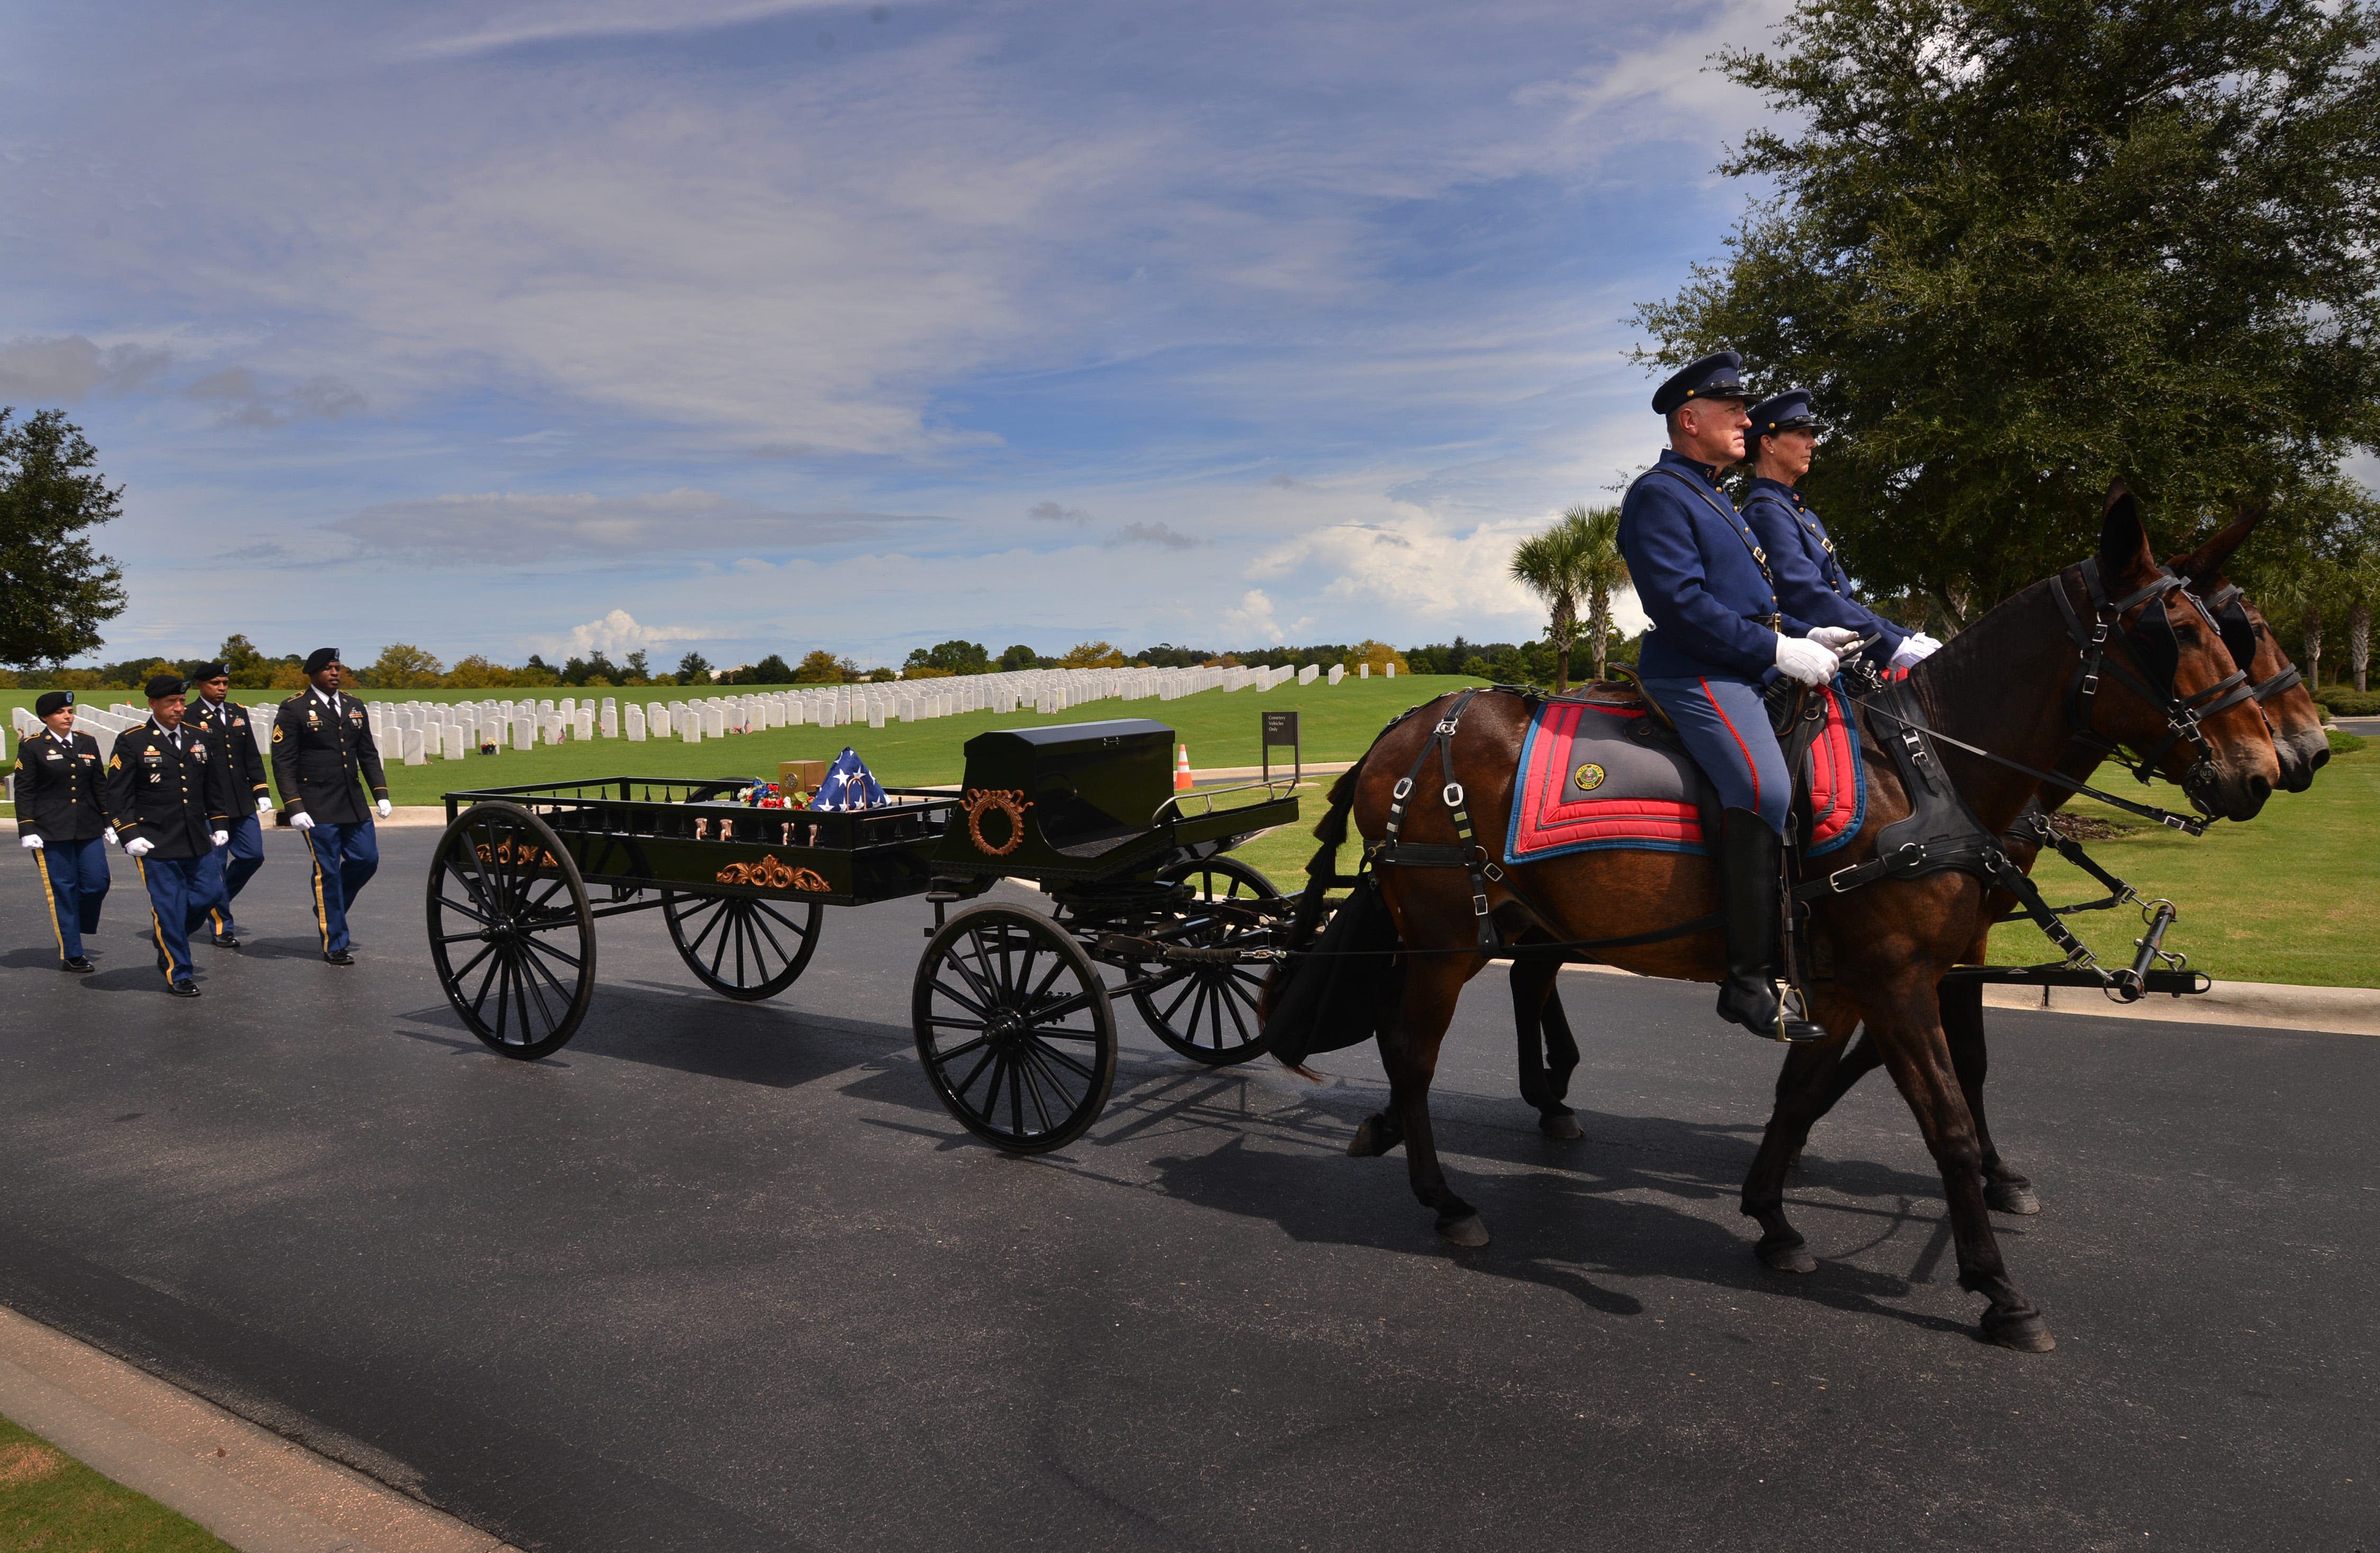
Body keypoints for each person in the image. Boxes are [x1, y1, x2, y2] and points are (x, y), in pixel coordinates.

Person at [1617, 351, 1851, 1042]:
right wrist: (1778, 650)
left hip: (1743, 667)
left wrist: (1811, 636)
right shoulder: (1659, 494)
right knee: (1763, 787)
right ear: (1690, 420)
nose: (1748, 421)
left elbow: (1756, 605)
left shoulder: (1713, 495)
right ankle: (1747, 980)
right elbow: (1683, 605)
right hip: (1695, 672)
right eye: (1733, 411)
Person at [1742, 389, 1941, 673]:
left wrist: (1905, 638)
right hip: (1805, 660)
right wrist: (1892, 648)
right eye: (1801, 434)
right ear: (1768, 443)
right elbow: (1806, 596)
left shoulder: (1795, 511)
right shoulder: (1765, 511)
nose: (1813, 443)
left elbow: (1843, 600)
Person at [105, 674, 236, 996]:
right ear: (153, 704)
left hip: (195, 837)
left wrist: (219, 824)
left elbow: (213, 787)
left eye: (181, 702)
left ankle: (168, 933)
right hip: (155, 840)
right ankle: (180, 972)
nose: (179, 708)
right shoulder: (132, 741)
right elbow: (117, 796)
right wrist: (129, 834)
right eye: (171, 703)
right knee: (169, 906)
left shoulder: (198, 737)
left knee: (208, 895)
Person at [270, 648, 390, 965]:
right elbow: (283, 763)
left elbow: (367, 753)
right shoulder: (294, 709)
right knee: (327, 873)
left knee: (367, 860)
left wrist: (381, 793)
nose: (336, 673)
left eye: (338, 668)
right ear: (313, 674)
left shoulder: (353, 705)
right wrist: (294, 807)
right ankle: (335, 942)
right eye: (329, 669)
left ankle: (328, 904)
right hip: (317, 805)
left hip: (352, 801)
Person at [15, 690, 115, 971]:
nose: (68, 716)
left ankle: (74, 922)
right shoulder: (34, 746)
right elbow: (24, 791)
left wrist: (109, 821)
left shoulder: (87, 741)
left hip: (88, 825)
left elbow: (99, 784)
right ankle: (72, 952)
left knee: (98, 882)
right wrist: (27, 828)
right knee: (64, 890)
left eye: (70, 711)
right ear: (45, 717)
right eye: (61, 712)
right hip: (50, 831)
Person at [185, 661, 275, 947]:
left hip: (241, 800)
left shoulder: (237, 712)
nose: (222, 688)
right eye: (215, 684)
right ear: (200, 685)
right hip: (210, 807)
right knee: (216, 867)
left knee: (253, 856)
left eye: (225, 683)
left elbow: (250, 755)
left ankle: (210, 899)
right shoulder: (188, 716)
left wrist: (261, 790)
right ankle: (222, 926)